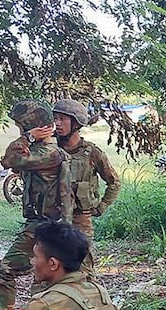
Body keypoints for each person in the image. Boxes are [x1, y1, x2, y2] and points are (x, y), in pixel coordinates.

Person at [0, 99, 73, 310]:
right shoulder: (41, 151)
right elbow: (12, 163)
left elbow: (10, 160)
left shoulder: (47, 152)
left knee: (4, 272)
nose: (19, 130)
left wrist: (28, 138)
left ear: (34, 126)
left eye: (22, 127)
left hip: (43, 227)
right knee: (43, 281)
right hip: (43, 226)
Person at [52, 99, 121, 279]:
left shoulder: (92, 153)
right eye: (55, 118)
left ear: (76, 123)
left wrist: (101, 206)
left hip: (80, 219)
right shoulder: (49, 150)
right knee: (52, 269)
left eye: (63, 119)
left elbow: (114, 182)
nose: (57, 123)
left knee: (84, 270)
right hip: (52, 218)